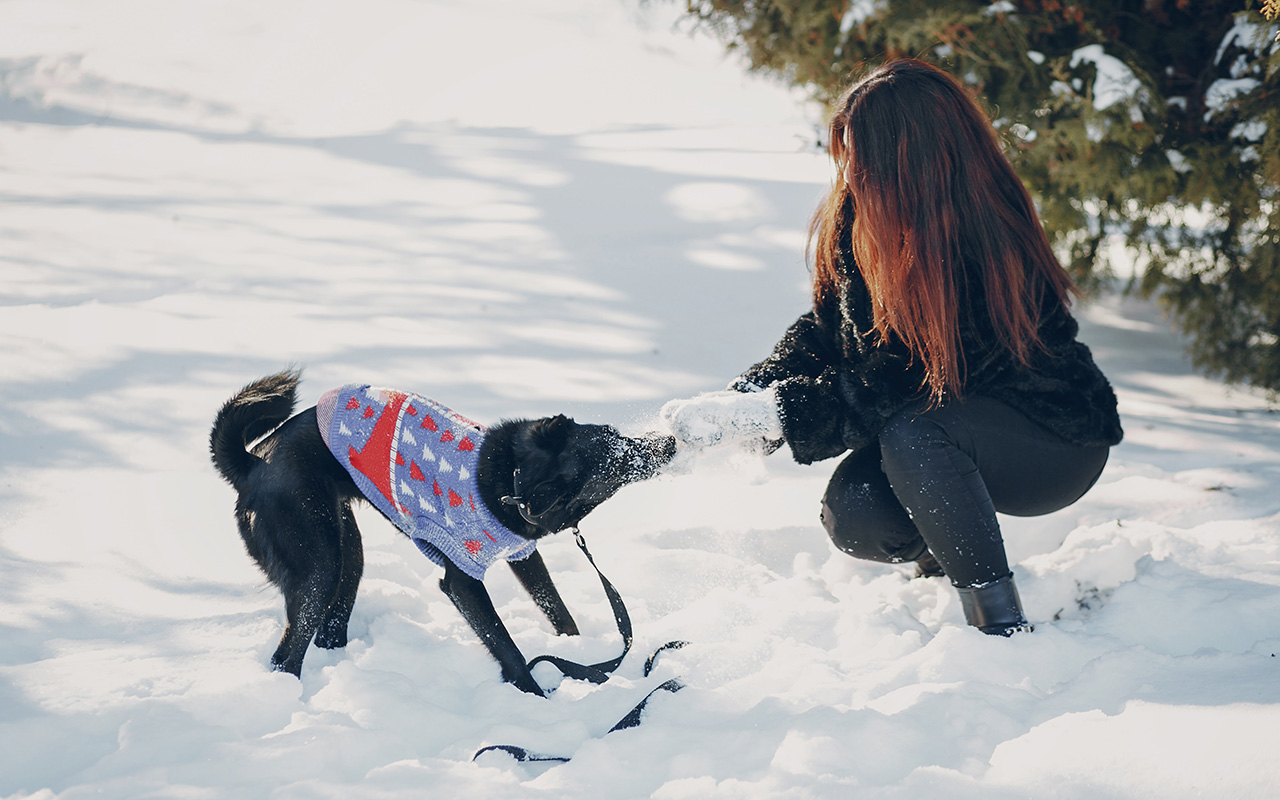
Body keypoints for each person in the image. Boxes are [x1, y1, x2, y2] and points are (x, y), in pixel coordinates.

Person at [660, 58, 1123, 636]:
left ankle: (999, 627)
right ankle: (945, 564)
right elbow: (828, 332)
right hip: (947, 428)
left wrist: (773, 415)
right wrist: (739, 403)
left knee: (915, 433)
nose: (849, 171)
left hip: (1049, 443)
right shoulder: (861, 216)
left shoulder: (983, 237)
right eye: (846, 152)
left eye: (863, 155)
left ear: (914, 158)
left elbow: (906, 378)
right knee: (855, 512)